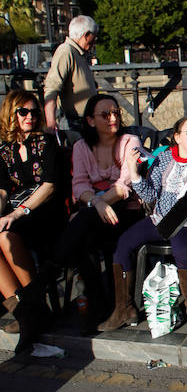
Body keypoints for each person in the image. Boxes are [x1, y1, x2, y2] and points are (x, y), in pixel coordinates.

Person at [98, 116, 187, 334]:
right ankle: (124, 308)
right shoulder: (164, 159)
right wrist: (134, 171)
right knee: (124, 244)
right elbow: (150, 194)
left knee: (183, 248)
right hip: (160, 219)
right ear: (177, 137)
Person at [52, 93, 144, 330]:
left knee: (81, 225)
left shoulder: (129, 141)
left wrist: (99, 202)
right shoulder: (82, 146)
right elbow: (79, 184)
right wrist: (97, 203)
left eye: (116, 113)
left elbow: (125, 186)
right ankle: (101, 304)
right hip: (95, 213)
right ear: (91, 121)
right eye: (105, 114)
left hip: (126, 211)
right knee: (83, 240)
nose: (113, 118)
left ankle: (46, 279)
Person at [0, 90, 66, 350]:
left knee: (6, 237)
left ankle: (32, 306)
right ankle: (25, 312)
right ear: (11, 113)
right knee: (3, 233)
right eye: (23, 112)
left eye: (34, 112)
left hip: (45, 214)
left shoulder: (46, 143)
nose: (30, 116)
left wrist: (18, 212)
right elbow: (3, 190)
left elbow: (49, 186)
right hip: (17, 213)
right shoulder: (4, 150)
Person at [44, 15, 98, 131]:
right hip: (74, 122)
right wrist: (51, 121)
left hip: (84, 121)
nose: (94, 42)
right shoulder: (66, 51)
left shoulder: (77, 53)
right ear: (86, 35)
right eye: (94, 37)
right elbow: (52, 87)